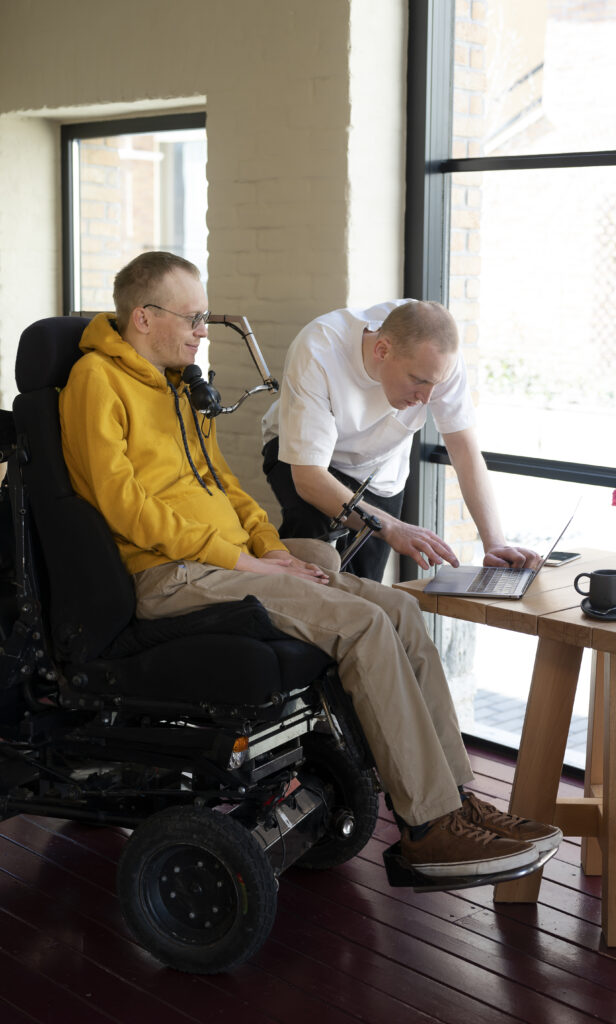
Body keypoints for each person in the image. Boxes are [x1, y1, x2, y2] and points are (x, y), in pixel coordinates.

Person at [59, 251, 561, 882]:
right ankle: (429, 829)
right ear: (142, 318)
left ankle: (458, 802)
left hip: (227, 562)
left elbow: (227, 487)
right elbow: (122, 507)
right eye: (192, 318)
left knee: (399, 608)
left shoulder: (178, 388)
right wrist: (244, 560)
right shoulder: (94, 383)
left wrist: (268, 548)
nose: (202, 331)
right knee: (364, 626)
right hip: (172, 574)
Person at [262, 300, 539, 581]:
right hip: (305, 458)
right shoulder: (319, 349)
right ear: (382, 350)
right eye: (418, 381)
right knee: (309, 564)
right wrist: (390, 527)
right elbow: (308, 477)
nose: (427, 398)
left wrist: (495, 544)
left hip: (379, 471)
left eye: (436, 385)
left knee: (365, 586)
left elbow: (464, 450)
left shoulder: (438, 357)